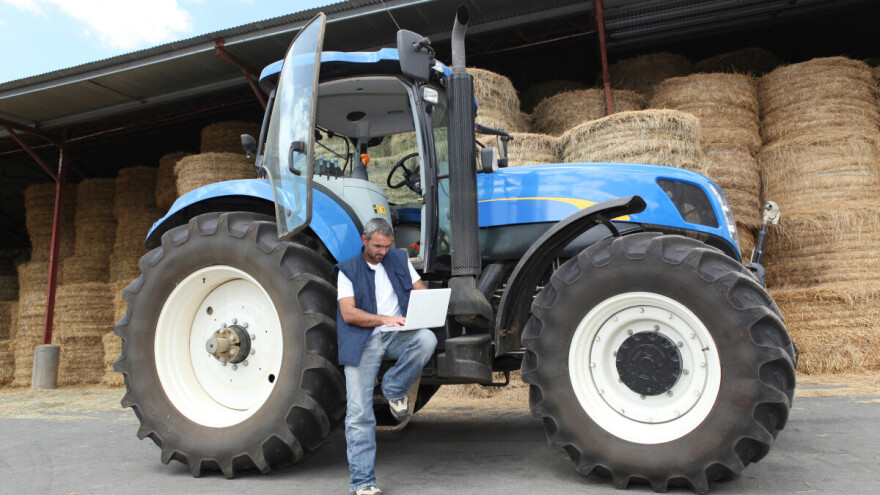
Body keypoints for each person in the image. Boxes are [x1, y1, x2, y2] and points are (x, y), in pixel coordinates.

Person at [336, 217, 438, 495]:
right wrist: (384, 319)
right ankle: (362, 482)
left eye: (387, 246)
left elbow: (422, 294)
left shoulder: (398, 259)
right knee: (359, 414)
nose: (382, 252)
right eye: (378, 246)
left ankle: (393, 387)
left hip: (395, 335)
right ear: (364, 240)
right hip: (362, 341)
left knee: (427, 338)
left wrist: (430, 307)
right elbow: (349, 313)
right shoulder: (347, 271)